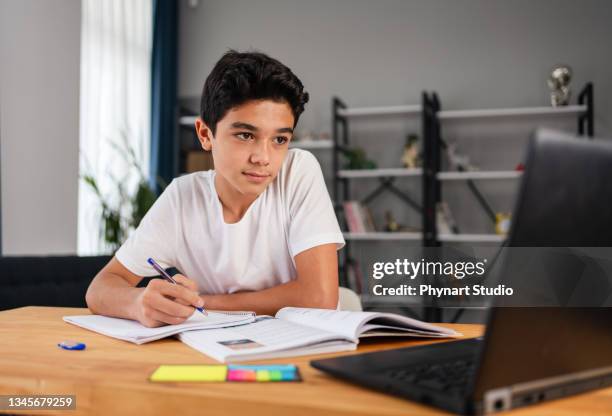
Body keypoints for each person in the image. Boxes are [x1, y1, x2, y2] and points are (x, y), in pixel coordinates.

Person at [86, 50, 345, 327]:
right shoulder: (182, 198)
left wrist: (203, 303)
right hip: (219, 348)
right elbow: (100, 289)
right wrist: (138, 303)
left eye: (279, 139)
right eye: (246, 135)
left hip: (310, 345)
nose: (263, 157)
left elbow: (320, 297)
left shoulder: (298, 170)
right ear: (205, 135)